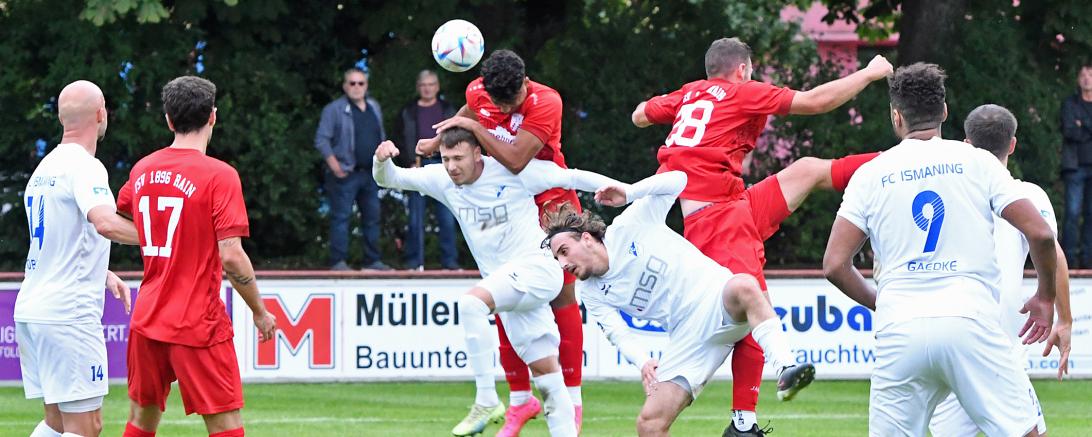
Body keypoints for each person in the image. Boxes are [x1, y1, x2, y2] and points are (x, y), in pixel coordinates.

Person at [630, 37, 892, 436]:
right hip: (718, 222)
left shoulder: (689, 93)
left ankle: (896, 161)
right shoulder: (742, 91)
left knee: (808, 169)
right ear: (742, 70)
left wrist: (664, 113)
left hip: (731, 205)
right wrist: (870, 73)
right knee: (753, 302)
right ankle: (746, 419)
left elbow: (639, 115)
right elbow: (816, 101)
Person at [823, 63, 1058, 437]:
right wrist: (1046, 297)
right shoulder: (978, 162)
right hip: (969, 321)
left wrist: (880, 302)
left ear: (896, 116)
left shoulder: (870, 174)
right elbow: (1041, 235)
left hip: (900, 329)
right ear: (945, 111)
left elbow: (835, 264)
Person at [375, 127, 621, 436]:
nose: (452, 166)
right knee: (547, 376)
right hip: (511, 287)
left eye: (458, 158)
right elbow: (390, 179)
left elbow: (569, 176)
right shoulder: (442, 179)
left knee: (471, 304)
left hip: (538, 269)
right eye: (446, 159)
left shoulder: (512, 171)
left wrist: (629, 191)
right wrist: (380, 160)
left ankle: (486, 400)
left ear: (478, 153)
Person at [541, 171, 815, 437]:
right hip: (688, 338)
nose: (563, 263)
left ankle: (785, 368)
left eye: (564, 251)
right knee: (649, 425)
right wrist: (643, 361)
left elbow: (679, 180)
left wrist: (630, 191)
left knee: (744, 285)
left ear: (586, 239)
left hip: (716, 299)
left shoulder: (630, 225)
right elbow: (618, 333)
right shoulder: (591, 292)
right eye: (557, 259)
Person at [417, 49, 585, 434]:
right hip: (505, 197)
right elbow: (467, 115)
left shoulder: (547, 101)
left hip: (550, 198)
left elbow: (515, 159)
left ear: (525, 82)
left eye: (512, 101)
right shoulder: (477, 92)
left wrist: (474, 128)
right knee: (503, 296)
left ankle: (573, 399)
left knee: (562, 297)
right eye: (499, 103)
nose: (505, 109)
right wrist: (438, 140)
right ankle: (520, 400)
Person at [117, 76, 277, 437]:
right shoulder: (220, 175)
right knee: (225, 424)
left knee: (141, 419)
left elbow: (118, 216)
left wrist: (161, 238)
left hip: (148, 318)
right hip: (197, 321)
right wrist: (259, 310)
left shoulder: (142, 169)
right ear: (213, 116)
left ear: (169, 120)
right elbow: (231, 256)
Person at [928, 104, 1073, 436]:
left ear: (966, 144)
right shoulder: (1027, 195)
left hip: (952, 338)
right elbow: (1053, 253)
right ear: (1012, 144)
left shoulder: (945, 195)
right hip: (999, 346)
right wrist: (1064, 318)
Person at [15, 80, 139, 437]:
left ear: (61, 118)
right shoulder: (86, 167)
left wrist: (102, 271)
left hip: (34, 308)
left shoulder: (44, 168)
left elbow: (59, 238)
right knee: (87, 426)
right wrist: (167, 239)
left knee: (56, 423)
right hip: (67, 314)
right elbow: (105, 222)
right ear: (101, 115)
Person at [315, 67, 391, 271]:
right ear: (345, 86)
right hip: (346, 174)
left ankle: (372, 261)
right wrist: (335, 167)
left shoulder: (374, 107)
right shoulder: (334, 109)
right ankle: (338, 262)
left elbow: (381, 136)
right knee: (341, 218)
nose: (357, 87)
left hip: (371, 174)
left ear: (366, 86)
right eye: (352, 83)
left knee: (372, 219)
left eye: (361, 83)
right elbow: (321, 140)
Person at [396, 69, 459, 270]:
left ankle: (450, 263)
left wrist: (454, 162)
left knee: (447, 217)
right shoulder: (408, 111)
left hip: (444, 166)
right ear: (418, 87)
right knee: (415, 218)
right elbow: (400, 139)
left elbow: (459, 136)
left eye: (431, 84)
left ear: (437, 87)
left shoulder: (448, 109)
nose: (427, 88)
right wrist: (409, 161)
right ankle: (414, 263)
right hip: (418, 165)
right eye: (423, 85)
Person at [1060, 64, 1092, 267]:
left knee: (1091, 214)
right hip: (1075, 167)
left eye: (1090, 74)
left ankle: (1088, 261)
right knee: (1072, 213)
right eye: (1083, 74)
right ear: (1078, 79)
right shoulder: (1070, 104)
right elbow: (1070, 131)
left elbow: (1078, 130)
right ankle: (1069, 261)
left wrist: (1084, 124)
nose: (1087, 78)